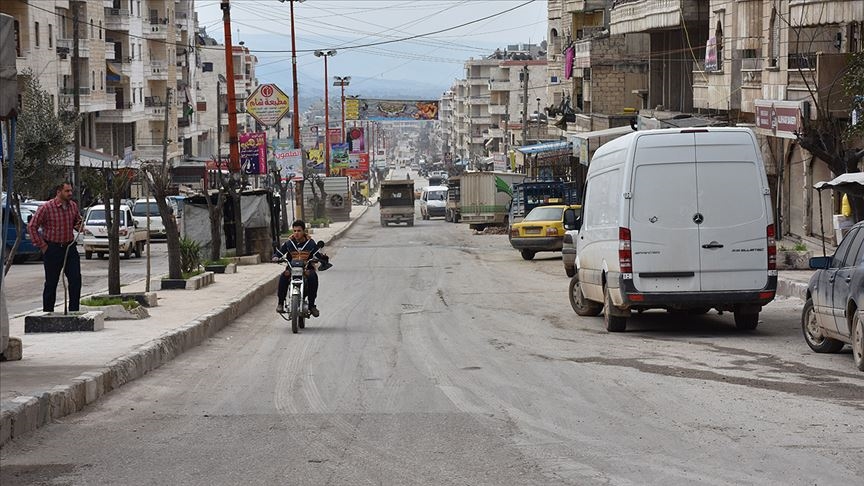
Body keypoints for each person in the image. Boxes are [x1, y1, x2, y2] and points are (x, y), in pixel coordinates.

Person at [28, 182, 84, 312]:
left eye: (71, 191)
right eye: (67, 191)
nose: (70, 193)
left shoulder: (73, 206)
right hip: (52, 248)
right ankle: (48, 312)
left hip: (69, 247)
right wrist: (42, 246)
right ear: (59, 192)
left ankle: (74, 311)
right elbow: (32, 226)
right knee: (51, 283)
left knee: (75, 280)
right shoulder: (46, 208)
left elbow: (77, 221)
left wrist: (81, 226)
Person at [273, 219, 322, 317]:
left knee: (313, 277)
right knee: (283, 277)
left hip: (306, 269)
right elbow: (279, 253)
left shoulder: (311, 243)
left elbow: (318, 255)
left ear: (304, 231)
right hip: (292, 269)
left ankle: (312, 305)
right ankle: (280, 303)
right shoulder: (289, 243)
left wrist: (320, 258)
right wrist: (275, 257)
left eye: (299, 231)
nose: (296, 233)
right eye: (294, 231)